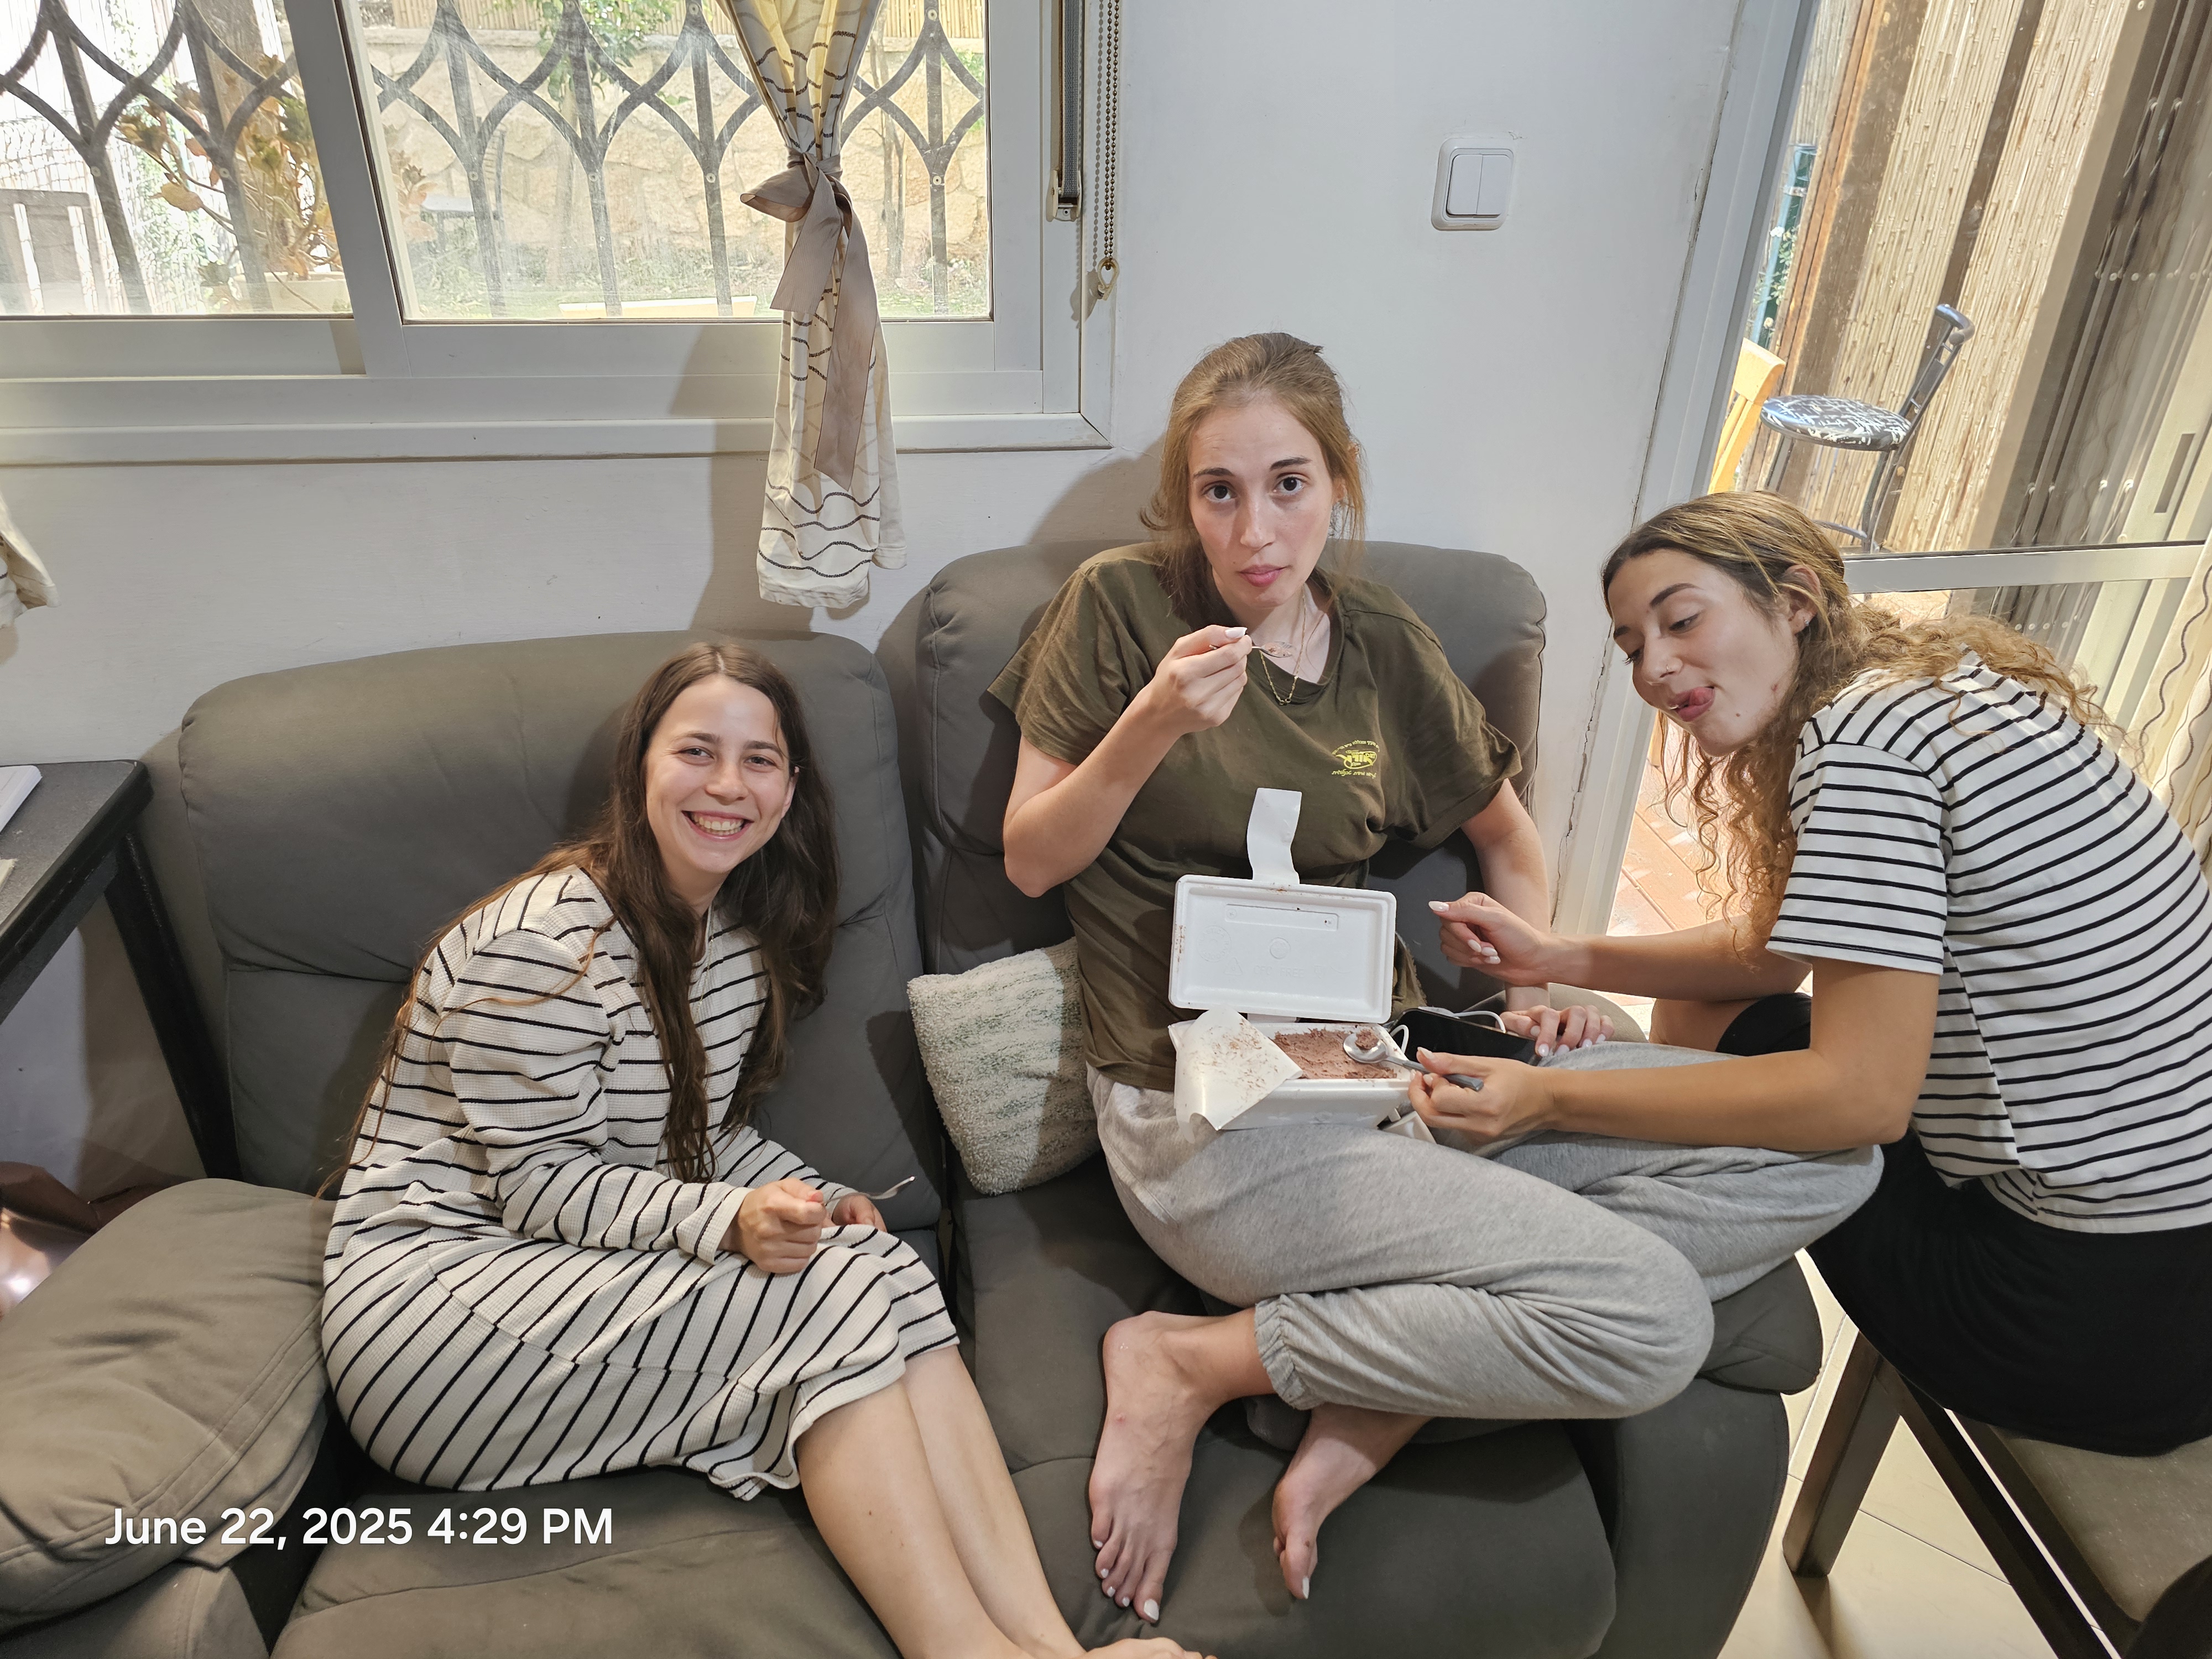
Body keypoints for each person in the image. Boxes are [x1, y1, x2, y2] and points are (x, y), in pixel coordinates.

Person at [990, 333, 1879, 1623]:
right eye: (1217, 491)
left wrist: (1531, 993)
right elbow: (1031, 858)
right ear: (1183, 499)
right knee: (1649, 1322)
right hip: (1204, 1117)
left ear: (1338, 482)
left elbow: (1508, 841)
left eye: (1287, 484)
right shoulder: (1118, 608)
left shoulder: (1382, 647)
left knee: (1828, 1157)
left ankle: (1385, 1374)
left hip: (1390, 1076)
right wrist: (1150, 726)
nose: (1253, 530)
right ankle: (1189, 1360)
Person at [321, 643, 1204, 1659]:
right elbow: (536, 1184)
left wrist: (810, 1197)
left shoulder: (733, 945)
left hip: (564, 1271)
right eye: (697, 752)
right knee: (825, 1295)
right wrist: (729, 1219)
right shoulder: (539, 948)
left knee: (880, 1264)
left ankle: (1051, 1648)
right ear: (641, 768)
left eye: (760, 760)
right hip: (437, 1319)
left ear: (789, 791)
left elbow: (697, 1139)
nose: (728, 786)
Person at [1426, 490, 2212, 1457]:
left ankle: (1546, 1295)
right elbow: (1775, 955)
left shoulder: (1863, 748)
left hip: (2075, 1324)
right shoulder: (1945, 694)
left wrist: (1549, 1101)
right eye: (1632, 647)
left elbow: (1860, 1100)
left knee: (1697, 1072)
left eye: (1682, 620)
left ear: (1794, 600)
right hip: (2183, 1293)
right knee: (1712, 1013)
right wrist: (1557, 956)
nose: (1655, 668)